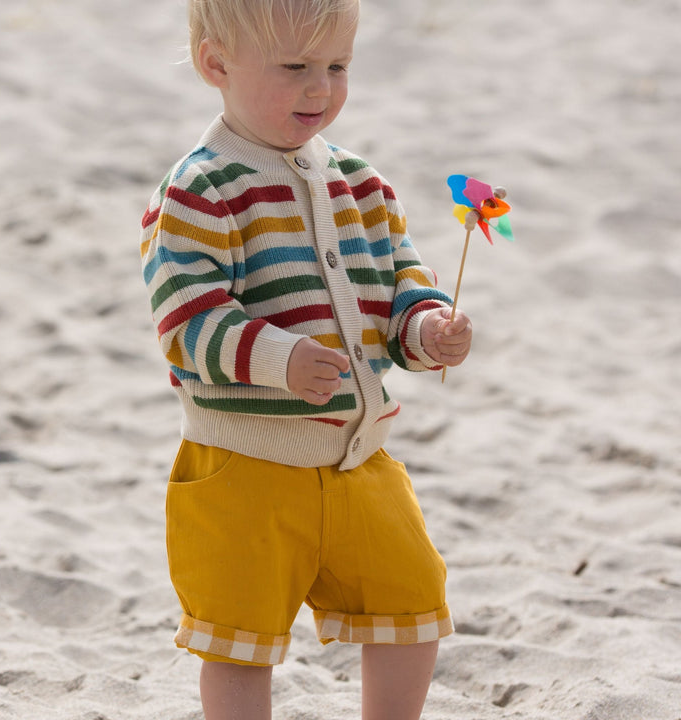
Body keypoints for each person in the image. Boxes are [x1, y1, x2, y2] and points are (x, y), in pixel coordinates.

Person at [140, 1, 474, 717]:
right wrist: (278, 358)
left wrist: (425, 328)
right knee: (238, 641)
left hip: (360, 460)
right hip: (244, 469)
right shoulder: (200, 190)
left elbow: (397, 290)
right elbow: (185, 319)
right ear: (216, 64)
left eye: (337, 66)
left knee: (414, 606)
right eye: (294, 67)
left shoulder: (364, 186)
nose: (320, 88)